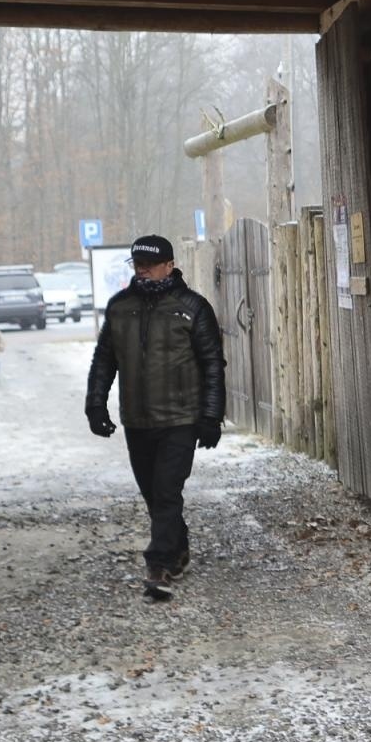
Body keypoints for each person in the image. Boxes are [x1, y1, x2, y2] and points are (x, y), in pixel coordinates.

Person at [85, 235, 226, 602]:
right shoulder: (120, 307)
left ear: (169, 264)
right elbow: (104, 361)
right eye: (137, 264)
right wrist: (95, 405)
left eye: (150, 263)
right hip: (137, 420)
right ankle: (177, 549)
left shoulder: (192, 307)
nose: (143, 270)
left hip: (180, 418)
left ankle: (158, 566)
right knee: (154, 495)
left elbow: (213, 365)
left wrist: (211, 416)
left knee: (166, 491)